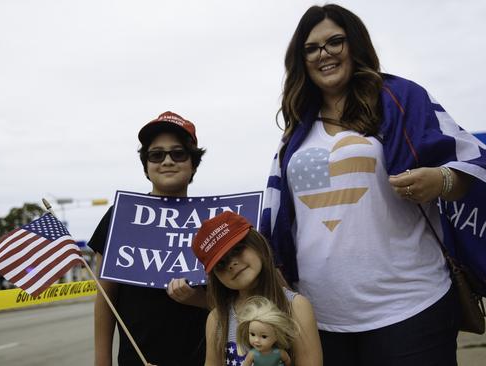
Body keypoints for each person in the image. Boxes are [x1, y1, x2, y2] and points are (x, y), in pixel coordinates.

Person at [262, 4, 486, 365]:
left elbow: (472, 167)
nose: (324, 54)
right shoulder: (296, 133)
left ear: (355, 44)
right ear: (301, 60)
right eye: (312, 48)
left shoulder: (402, 100)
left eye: (335, 42)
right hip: (322, 322)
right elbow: (281, 219)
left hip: (411, 309)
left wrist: (441, 179)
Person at [88, 111, 208, 365]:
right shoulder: (121, 216)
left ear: (193, 163)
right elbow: (106, 299)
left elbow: (235, 302)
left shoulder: (212, 222)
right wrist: (102, 362)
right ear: (146, 166)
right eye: (156, 155)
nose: (167, 161)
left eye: (178, 153)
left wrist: (198, 300)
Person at [192, 211, 322, 366]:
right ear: (215, 277)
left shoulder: (296, 306)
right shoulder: (216, 318)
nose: (232, 263)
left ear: (257, 243)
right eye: (220, 263)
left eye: (238, 249)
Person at [236, 296, 296, 366]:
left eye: (264, 336)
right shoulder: (253, 354)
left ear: (277, 336)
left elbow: (287, 360)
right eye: (252, 334)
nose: (256, 340)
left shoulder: (279, 353)